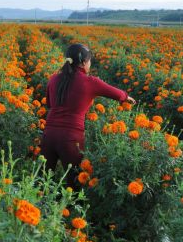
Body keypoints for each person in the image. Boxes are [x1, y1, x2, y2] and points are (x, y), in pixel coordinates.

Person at [40, 43, 136, 189]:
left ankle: (41, 208)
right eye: (89, 61)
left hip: (49, 134)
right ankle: (68, 210)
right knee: (73, 183)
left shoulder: (54, 79)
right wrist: (127, 97)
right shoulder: (90, 82)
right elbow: (116, 93)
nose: (90, 64)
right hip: (71, 138)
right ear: (84, 62)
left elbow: (50, 104)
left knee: (43, 181)